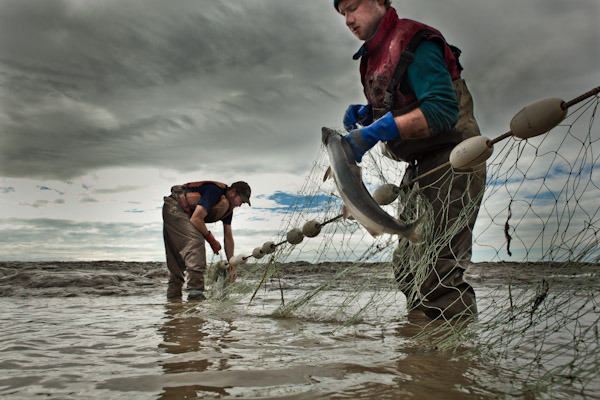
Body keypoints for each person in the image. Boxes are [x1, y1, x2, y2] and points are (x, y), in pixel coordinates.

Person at [334, 0, 486, 320]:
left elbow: (441, 112)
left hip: (453, 158)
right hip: (419, 168)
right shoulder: (371, 59)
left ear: (380, 1)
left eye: (353, 7)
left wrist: (377, 130)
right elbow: (401, 103)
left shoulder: (414, 39)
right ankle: (420, 358)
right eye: (342, 14)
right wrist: (370, 114)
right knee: (407, 268)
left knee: (438, 275)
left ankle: (451, 363)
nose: (348, 20)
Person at [162, 180, 251, 301]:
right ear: (232, 191)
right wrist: (212, 240)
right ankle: (196, 294)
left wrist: (232, 265)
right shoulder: (214, 191)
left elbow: (228, 238)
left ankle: (173, 302)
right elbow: (196, 219)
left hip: (184, 213)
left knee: (180, 258)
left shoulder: (228, 209)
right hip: (175, 207)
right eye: (241, 200)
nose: (240, 204)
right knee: (196, 243)